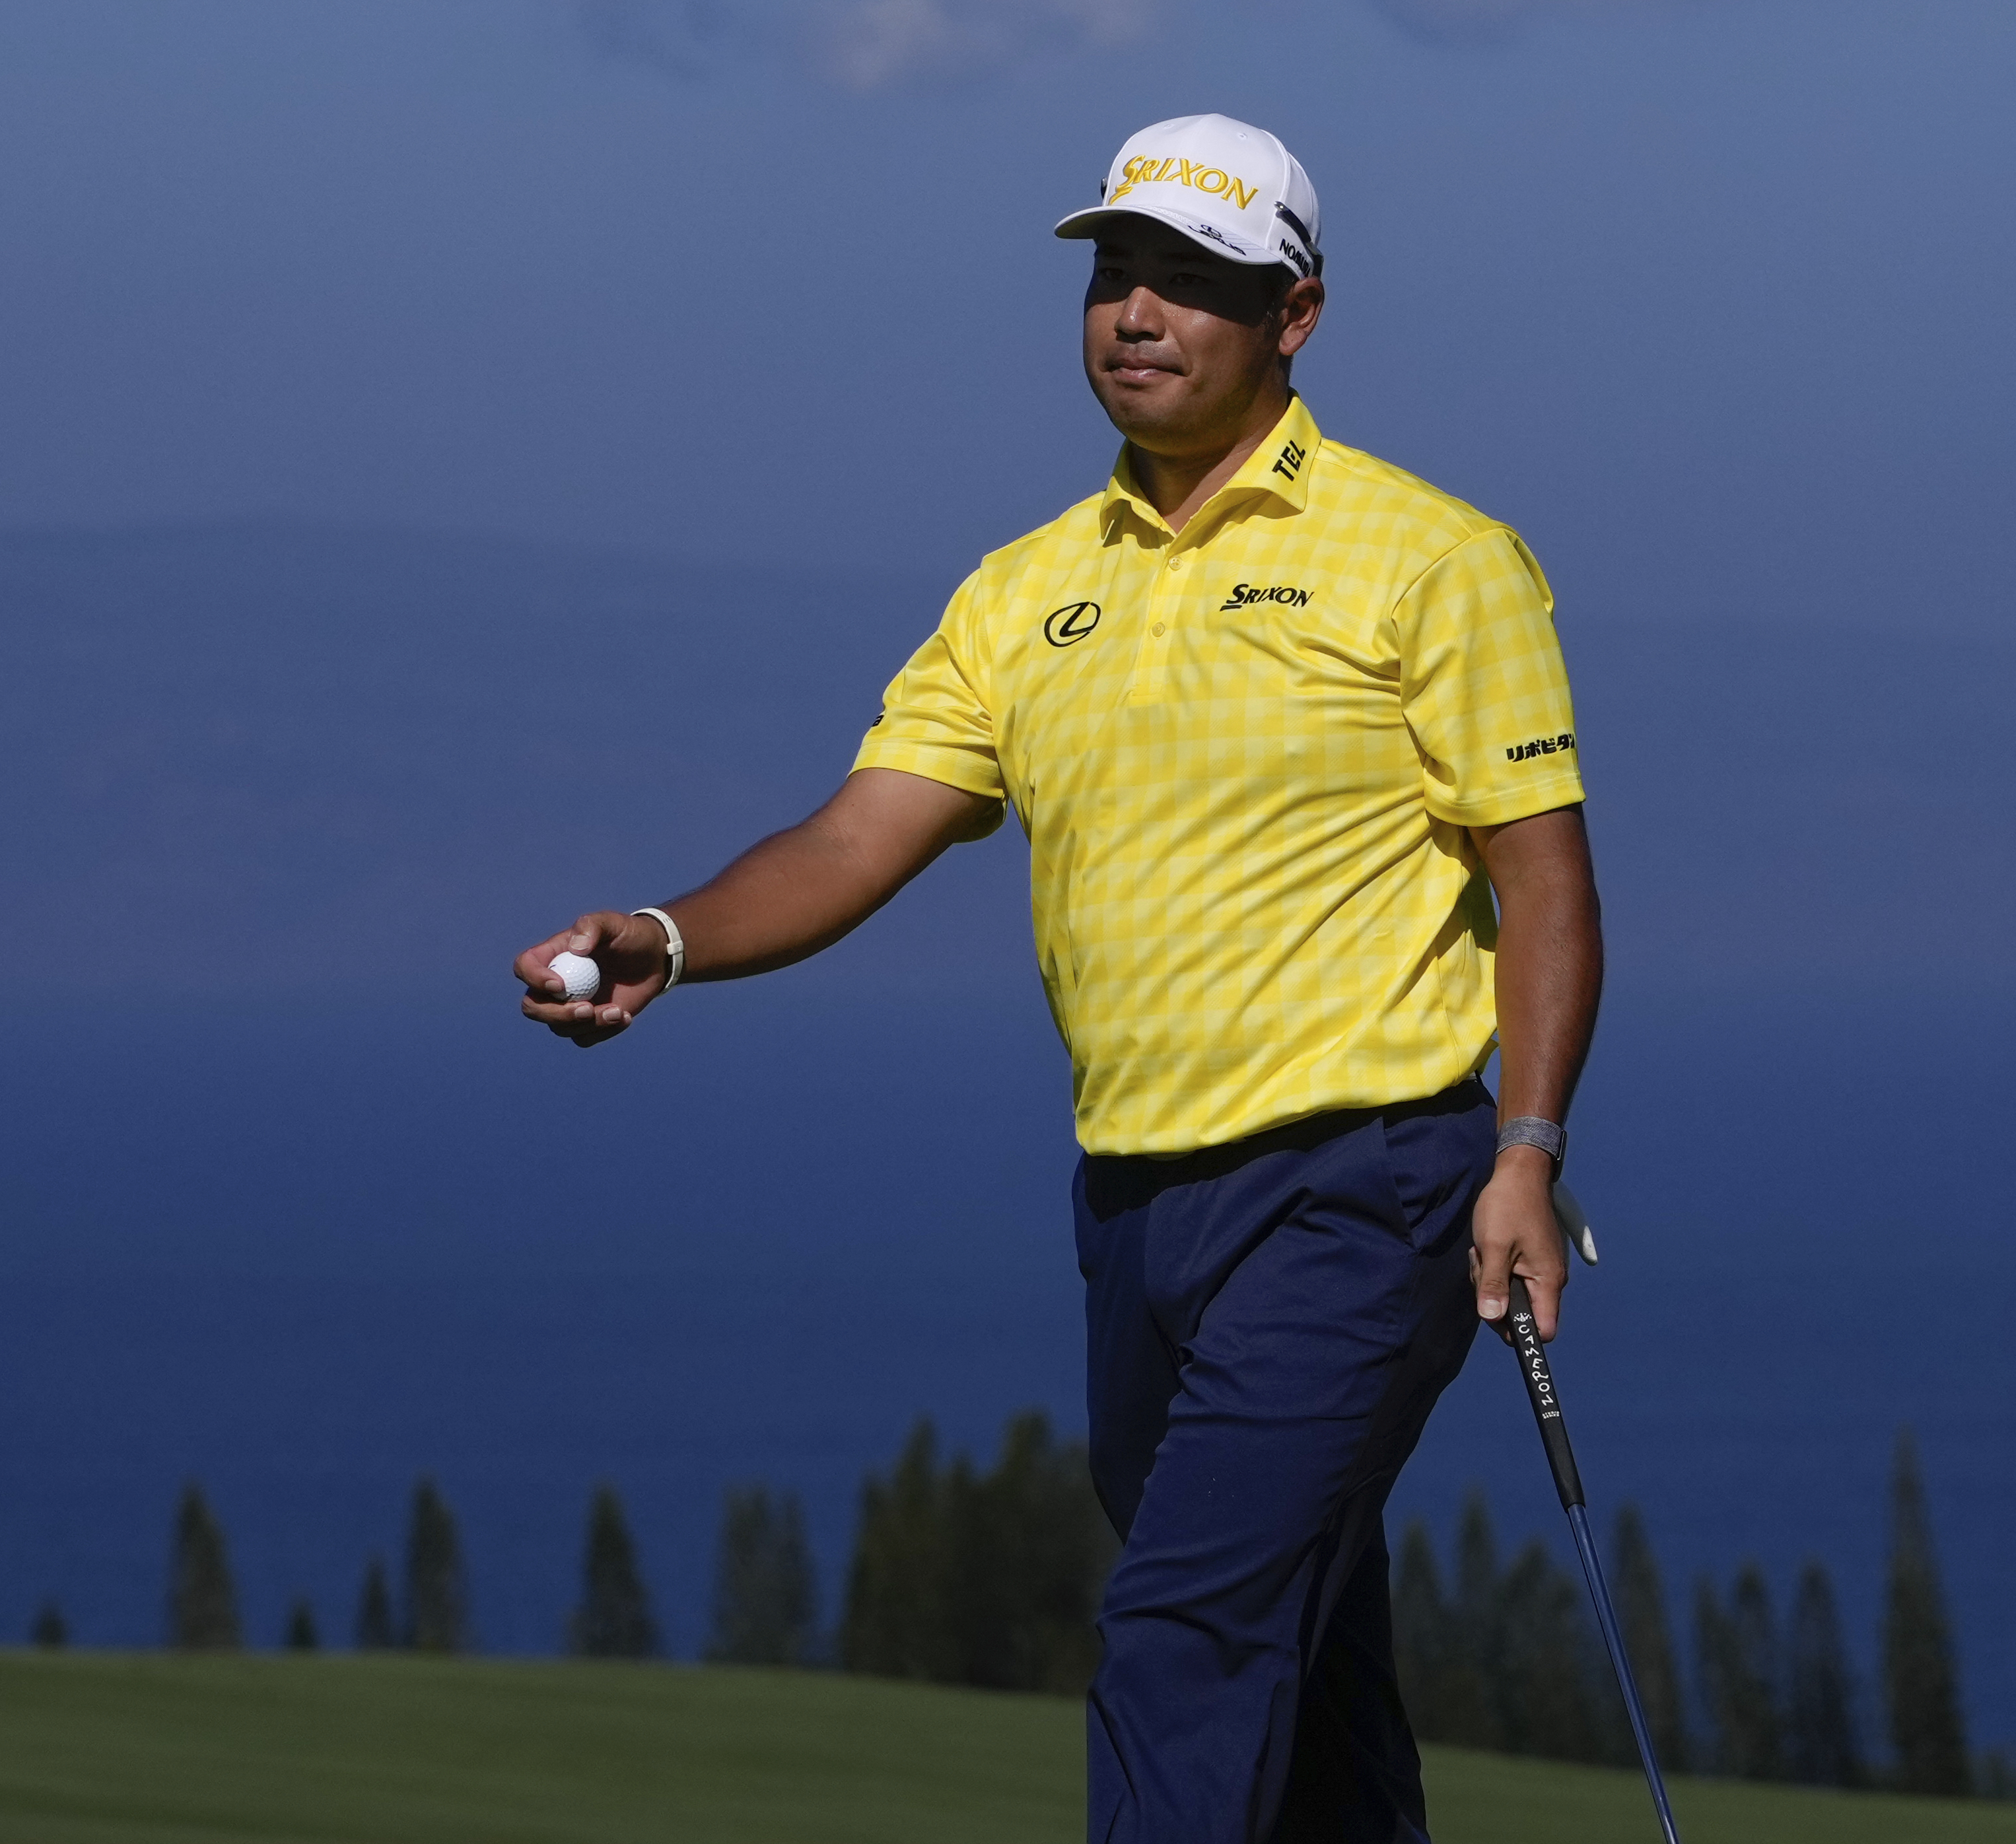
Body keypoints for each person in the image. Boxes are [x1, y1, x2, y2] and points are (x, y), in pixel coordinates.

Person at [514, 113, 1603, 1844]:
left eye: (1196, 282)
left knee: (1187, 1629)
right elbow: (857, 837)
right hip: (1139, 1214)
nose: (1141, 313)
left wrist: (1527, 1151)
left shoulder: (1432, 558)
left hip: (1370, 1190)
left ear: (1296, 315)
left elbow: (1542, 882)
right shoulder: (1024, 594)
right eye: (1116, 274)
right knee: (1293, 1650)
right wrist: (665, 932)